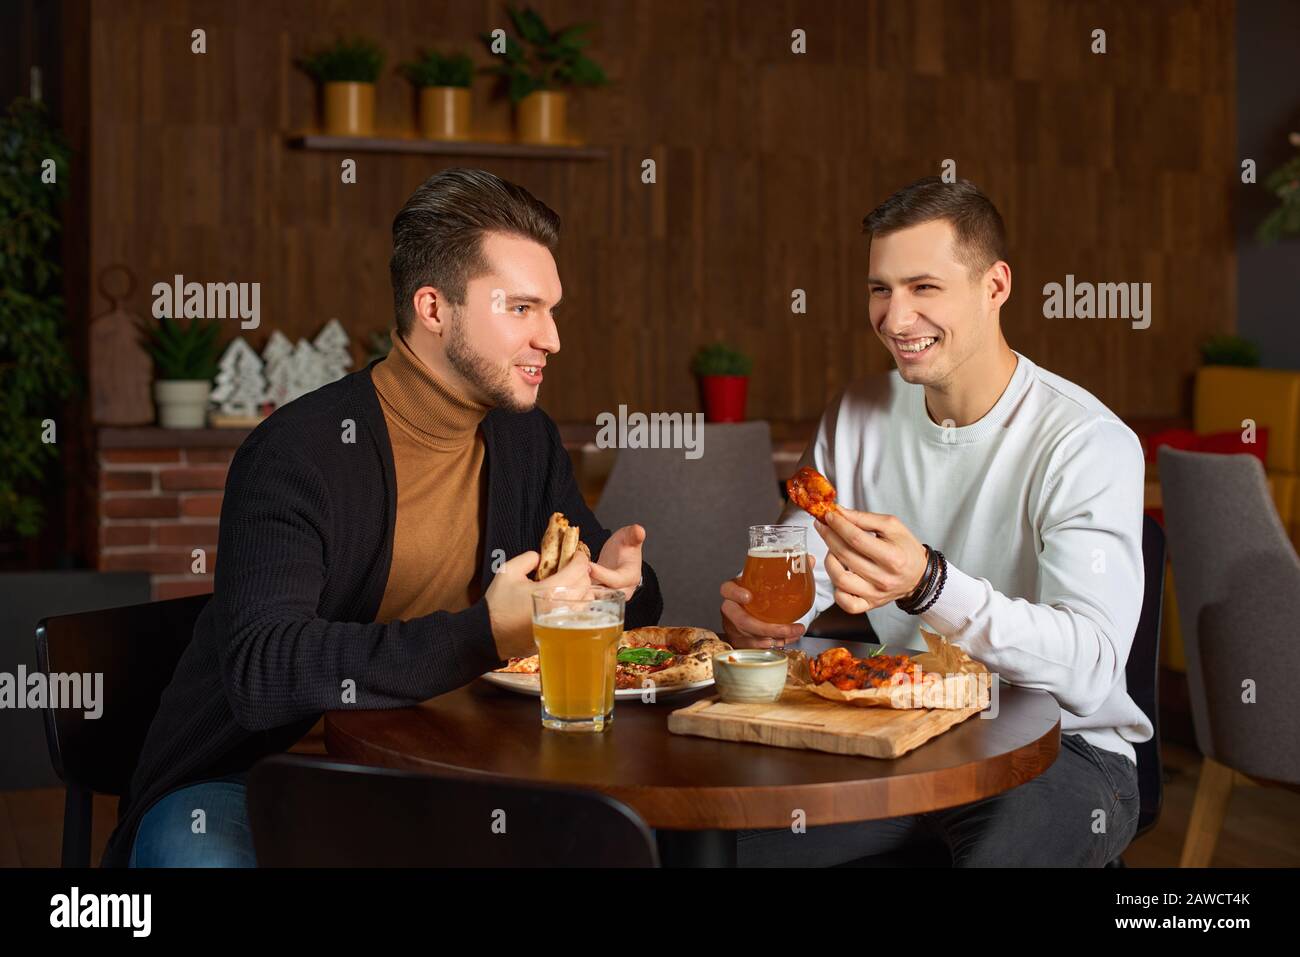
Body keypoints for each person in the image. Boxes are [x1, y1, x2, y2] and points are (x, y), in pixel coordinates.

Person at [105, 168, 663, 867]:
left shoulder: (527, 440)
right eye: (521, 308)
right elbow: (261, 667)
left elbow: (597, 593)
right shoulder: (298, 453)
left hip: (458, 775)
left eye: (551, 310)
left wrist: (619, 585)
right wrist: (480, 635)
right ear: (434, 308)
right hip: (262, 779)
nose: (551, 337)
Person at [721, 176, 1149, 867]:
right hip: (904, 732)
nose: (894, 319)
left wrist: (929, 584)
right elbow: (799, 579)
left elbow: (1092, 666)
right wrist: (757, 619)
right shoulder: (857, 413)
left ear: (996, 286)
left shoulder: (1084, 440)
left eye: (924, 288)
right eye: (879, 289)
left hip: (1066, 751)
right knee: (717, 850)